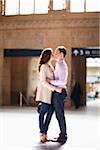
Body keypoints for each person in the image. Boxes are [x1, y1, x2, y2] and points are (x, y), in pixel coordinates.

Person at [36, 48, 62, 143]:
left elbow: (51, 79)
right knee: (42, 114)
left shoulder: (49, 65)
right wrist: (54, 88)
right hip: (45, 95)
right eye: (51, 54)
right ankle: (42, 133)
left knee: (50, 114)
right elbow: (43, 81)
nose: (53, 56)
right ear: (48, 56)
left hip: (51, 95)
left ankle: (45, 132)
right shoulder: (43, 66)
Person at [47, 46, 68, 144]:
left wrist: (50, 81)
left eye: (56, 52)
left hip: (60, 92)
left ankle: (63, 135)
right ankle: (62, 134)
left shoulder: (62, 65)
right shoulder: (58, 64)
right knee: (59, 115)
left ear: (61, 54)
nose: (54, 54)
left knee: (60, 115)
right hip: (58, 92)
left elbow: (62, 81)